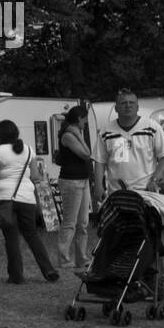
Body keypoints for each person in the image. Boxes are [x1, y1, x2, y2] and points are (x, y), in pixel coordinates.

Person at [0, 119, 58, 284]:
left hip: (5, 199)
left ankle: (16, 276)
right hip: (27, 198)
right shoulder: (28, 149)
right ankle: (49, 270)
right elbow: (35, 176)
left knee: (11, 238)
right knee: (32, 235)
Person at [93, 89, 164, 203]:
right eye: (123, 103)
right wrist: (98, 186)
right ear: (116, 108)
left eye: (131, 103)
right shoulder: (106, 131)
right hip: (117, 195)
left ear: (137, 107)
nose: (128, 106)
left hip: (147, 194)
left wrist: (155, 180)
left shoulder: (152, 127)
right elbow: (99, 161)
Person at [56, 105, 95, 270]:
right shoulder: (68, 136)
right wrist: (79, 135)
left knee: (83, 222)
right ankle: (64, 259)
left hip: (83, 180)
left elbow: (88, 152)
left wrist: (80, 134)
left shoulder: (76, 134)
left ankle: (82, 257)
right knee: (70, 222)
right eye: (85, 119)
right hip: (71, 181)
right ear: (79, 119)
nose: (86, 123)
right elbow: (86, 154)